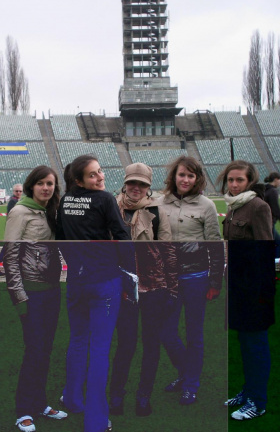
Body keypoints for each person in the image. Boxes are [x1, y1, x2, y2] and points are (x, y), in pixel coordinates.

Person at [56, 154, 135, 432]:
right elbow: (123, 236)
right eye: (93, 174)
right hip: (104, 281)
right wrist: (130, 275)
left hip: (77, 282)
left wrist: (77, 263)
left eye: (100, 171)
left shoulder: (65, 201)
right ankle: (97, 421)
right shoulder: (104, 200)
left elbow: (60, 239)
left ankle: (73, 399)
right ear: (79, 180)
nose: (100, 177)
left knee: (78, 341)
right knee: (100, 350)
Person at [108, 163, 178, 417]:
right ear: (125, 183)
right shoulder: (111, 208)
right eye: (132, 183)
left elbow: (169, 250)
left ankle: (143, 396)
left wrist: (173, 289)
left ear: (149, 187)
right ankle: (116, 395)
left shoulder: (158, 211)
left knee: (151, 344)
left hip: (154, 286)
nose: (136, 188)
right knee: (125, 344)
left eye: (142, 184)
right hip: (122, 287)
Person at [3, 166, 67, 432]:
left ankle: (40, 403)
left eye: (50, 183)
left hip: (52, 290)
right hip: (31, 292)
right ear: (31, 186)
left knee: (45, 350)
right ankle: (23, 410)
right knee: (34, 352)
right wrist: (19, 296)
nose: (46, 188)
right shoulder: (19, 211)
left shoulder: (50, 211)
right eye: (41, 183)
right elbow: (9, 256)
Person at [158, 155, 223, 406]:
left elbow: (215, 246)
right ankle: (186, 374)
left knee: (195, 334)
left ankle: (191, 384)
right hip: (168, 279)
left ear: (197, 179)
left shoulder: (206, 205)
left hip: (196, 277)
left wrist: (215, 281)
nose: (185, 179)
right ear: (174, 175)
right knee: (166, 332)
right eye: (181, 174)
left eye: (191, 175)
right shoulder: (160, 202)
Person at [217, 159, 275, 421]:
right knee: (244, 343)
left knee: (256, 345)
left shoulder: (257, 207)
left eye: (239, 180)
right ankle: (247, 390)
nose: (234, 184)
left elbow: (266, 250)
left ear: (250, 181)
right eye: (230, 179)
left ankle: (258, 401)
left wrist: (261, 291)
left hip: (254, 290)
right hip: (237, 286)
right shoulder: (233, 207)